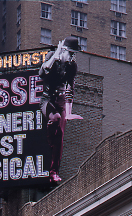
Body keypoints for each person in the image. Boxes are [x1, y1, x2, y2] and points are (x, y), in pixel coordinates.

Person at [38, 36, 82, 184]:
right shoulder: (52, 57)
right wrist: (55, 56)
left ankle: (53, 172)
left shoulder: (72, 66)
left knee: (60, 137)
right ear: (63, 50)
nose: (71, 57)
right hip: (47, 99)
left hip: (61, 101)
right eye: (70, 53)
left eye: (73, 54)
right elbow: (41, 73)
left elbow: (71, 89)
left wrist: (69, 111)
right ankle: (47, 143)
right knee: (54, 118)